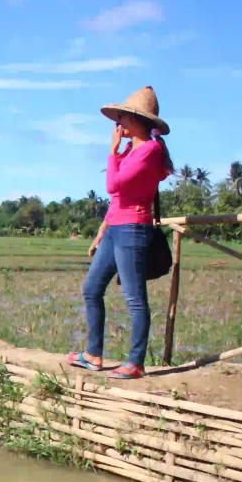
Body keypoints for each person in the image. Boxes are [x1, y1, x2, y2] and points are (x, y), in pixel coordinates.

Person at [68, 86, 174, 380]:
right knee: (91, 288)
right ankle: (93, 353)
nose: (118, 125)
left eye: (123, 118)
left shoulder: (150, 151)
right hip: (116, 228)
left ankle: (135, 362)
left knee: (134, 297)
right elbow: (117, 198)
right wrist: (102, 230)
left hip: (133, 229)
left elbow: (112, 186)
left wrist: (112, 151)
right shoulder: (132, 151)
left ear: (138, 121)